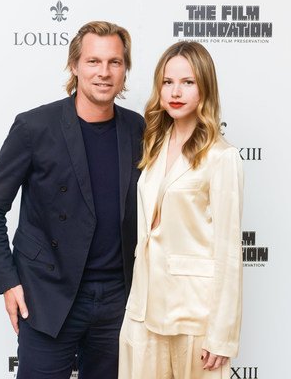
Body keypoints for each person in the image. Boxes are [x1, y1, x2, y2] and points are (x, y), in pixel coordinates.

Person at [0, 21, 144, 379]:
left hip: (117, 300)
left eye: (114, 62)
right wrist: (8, 282)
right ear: (74, 66)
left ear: (125, 69)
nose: (104, 72)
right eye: (93, 61)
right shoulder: (34, 127)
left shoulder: (139, 129)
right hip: (47, 294)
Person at [119, 41, 244, 379]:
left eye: (188, 82)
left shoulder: (221, 157)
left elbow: (229, 251)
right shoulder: (153, 145)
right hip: (142, 310)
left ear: (205, 87)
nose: (175, 91)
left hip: (195, 314)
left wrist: (222, 334)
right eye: (167, 82)